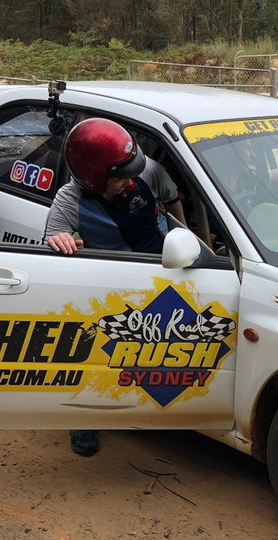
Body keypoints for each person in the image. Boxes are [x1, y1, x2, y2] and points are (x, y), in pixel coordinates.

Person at [45, 117, 185, 456]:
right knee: (91, 345)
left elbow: (175, 201)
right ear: (94, 178)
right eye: (121, 178)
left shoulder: (145, 170)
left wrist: (194, 241)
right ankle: (84, 416)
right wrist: (58, 240)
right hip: (111, 281)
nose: (130, 180)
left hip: (161, 268)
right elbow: (49, 241)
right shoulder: (69, 200)